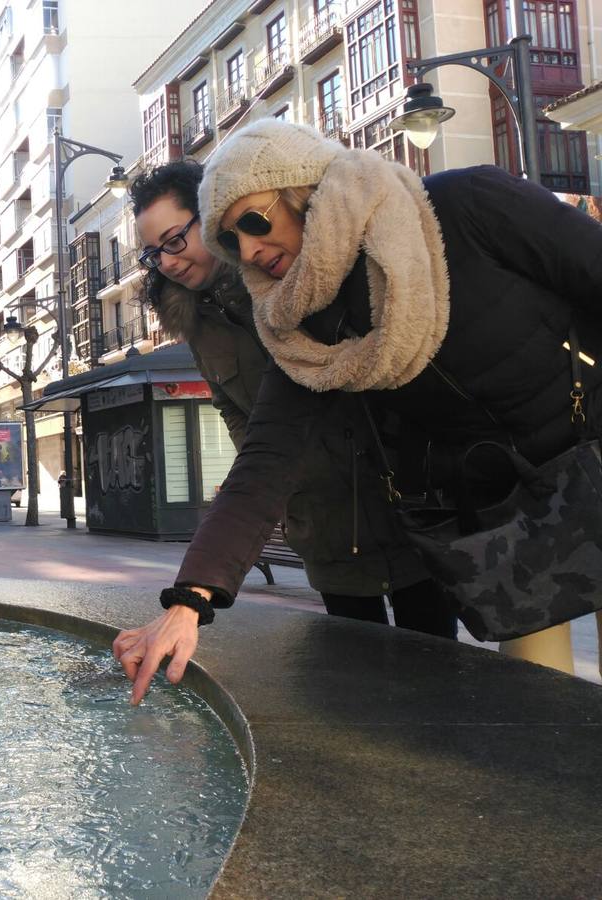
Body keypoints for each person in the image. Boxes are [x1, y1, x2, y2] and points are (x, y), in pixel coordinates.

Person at [115, 119, 602, 705]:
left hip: (591, 450)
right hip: (512, 508)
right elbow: (266, 456)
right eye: (230, 240)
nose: (247, 250)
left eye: (254, 221)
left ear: (304, 189)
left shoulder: (466, 203)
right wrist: (189, 601)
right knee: (543, 704)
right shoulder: (304, 328)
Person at [130, 159, 451, 635]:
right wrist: (284, 494)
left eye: (174, 240)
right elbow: (234, 411)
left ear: (211, 216)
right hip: (321, 524)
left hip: (402, 504)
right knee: (354, 658)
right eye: (155, 254)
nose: (169, 262)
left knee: (433, 652)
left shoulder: (291, 272)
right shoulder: (196, 326)